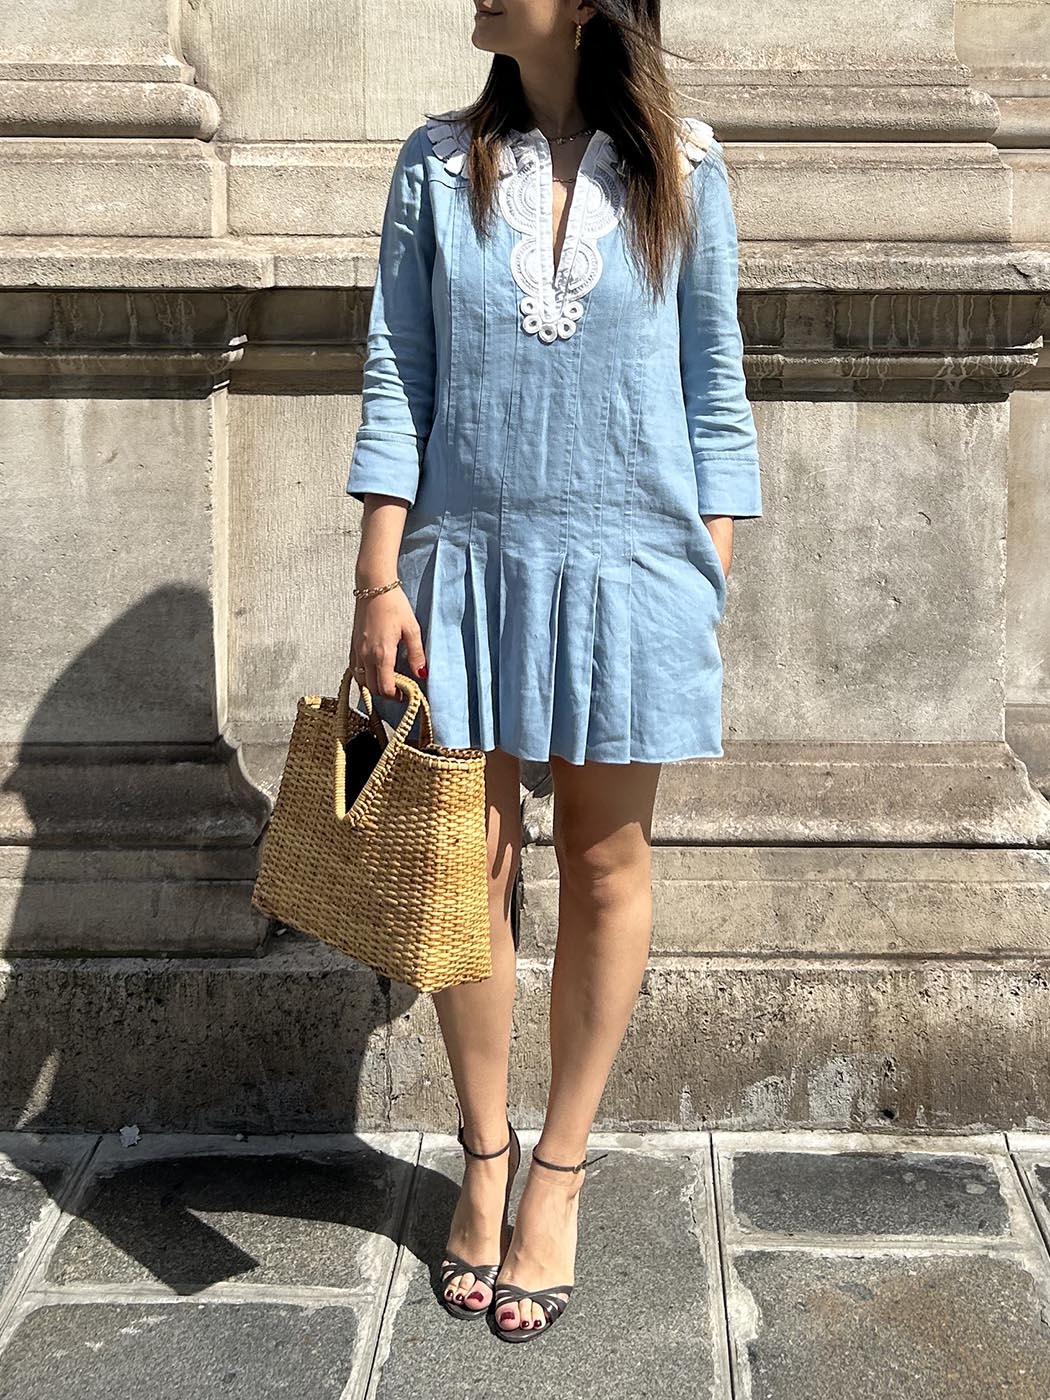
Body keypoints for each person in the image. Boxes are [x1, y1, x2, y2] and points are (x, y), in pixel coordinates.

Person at [347, 0, 761, 1343]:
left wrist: (702, 571)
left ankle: (560, 1174)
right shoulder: (433, 164)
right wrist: (378, 580)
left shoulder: (685, 169)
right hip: (461, 570)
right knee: (459, 863)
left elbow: (714, 388)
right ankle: (483, 1154)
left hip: (630, 571)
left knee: (602, 863)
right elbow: (397, 376)